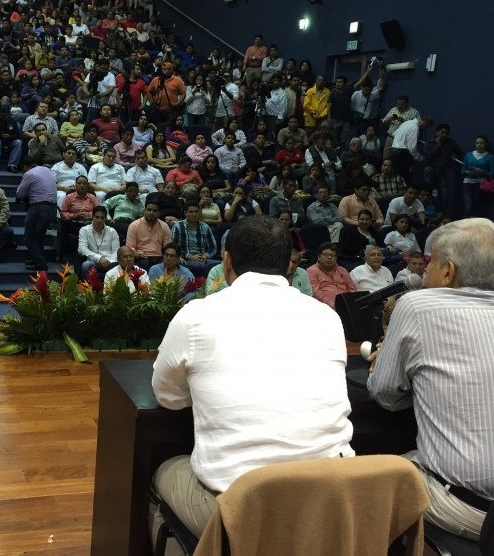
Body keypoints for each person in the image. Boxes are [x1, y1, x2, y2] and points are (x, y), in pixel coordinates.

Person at [151, 216, 354, 540]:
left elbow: (168, 397)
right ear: (289, 265)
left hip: (242, 511)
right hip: (331, 504)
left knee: (161, 469)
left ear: (226, 261)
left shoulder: (196, 315)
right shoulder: (327, 317)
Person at [368, 218, 494, 541]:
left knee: (374, 477)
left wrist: (391, 365)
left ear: (448, 271)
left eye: (430, 262)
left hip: (470, 510)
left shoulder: (417, 305)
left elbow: (386, 396)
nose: (425, 271)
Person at [16, 160, 57, 271]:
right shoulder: (47, 169)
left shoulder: (29, 173)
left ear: (24, 166)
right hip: (52, 208)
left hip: (39, 208)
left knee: (29, 238)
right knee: (39, 236)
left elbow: (19, 194)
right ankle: (38, 259)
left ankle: (41, 264)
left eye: (22, 171)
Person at [306, 242, 356, 309]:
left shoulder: (342, 270)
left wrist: (352, 303)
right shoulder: (312, 271)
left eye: (332, 255)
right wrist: (332, 306)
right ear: (319, 256)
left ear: (336, 258)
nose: (329, 257)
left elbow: (352, 289)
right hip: (325, 308)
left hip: (347, 306)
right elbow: (316, 294)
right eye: (325, 254)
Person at [126, 199, 171, 271]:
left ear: (159, 213)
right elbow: (130, 248)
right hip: (141, 258)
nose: (151, 213)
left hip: (159, 257)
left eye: (155, 211)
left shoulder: (164, 226)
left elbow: (168, 247)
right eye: (149, 210)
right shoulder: (134, 225)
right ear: (144, 211)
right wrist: (136, 253)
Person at [78, 205, 120, 279]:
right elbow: (82, 249)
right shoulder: (84, 230)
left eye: (102, 218)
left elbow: (116, 251)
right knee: (86, 265)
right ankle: (85, 286)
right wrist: (99, 258)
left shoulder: (112, 231)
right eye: (97, 217)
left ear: (105, 218)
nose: (99, 220)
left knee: (116, 266)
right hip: (93, 261)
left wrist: (110, 263)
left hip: (109, 261)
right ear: (92, 217)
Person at [460, 135, 494, 218]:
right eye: (477, 143)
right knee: (468, 207)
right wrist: (468, 172)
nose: (479, 145)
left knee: (477, 208)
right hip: (468, 183)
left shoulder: (490, 156)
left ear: (486, 144)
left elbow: (493, 173)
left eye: (481, 143)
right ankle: (463, 224)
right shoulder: (468, 155)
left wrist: (481, 172)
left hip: (480, 185)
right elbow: (462, 171)